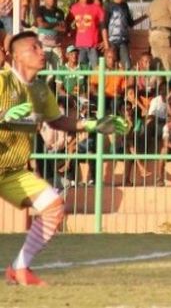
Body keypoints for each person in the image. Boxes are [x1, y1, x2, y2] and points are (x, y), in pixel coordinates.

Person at [1, 31, 126, 286]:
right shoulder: (3, 82)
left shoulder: (40, 89)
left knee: (54, 207)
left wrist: (93, 124)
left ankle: (20, 268)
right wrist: (4, 114)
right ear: (16, 56)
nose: (42, 51)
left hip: (12, 171)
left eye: (41, 46)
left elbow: (57, 120)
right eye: (34, 48)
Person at [102, 0, 147, 69]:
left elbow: (131, 23)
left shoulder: (125, 6)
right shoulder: (108, 6)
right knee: (111, 64)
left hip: (123, 42)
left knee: (127, 64)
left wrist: (144, 17)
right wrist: (106, 44)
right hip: (112, 41)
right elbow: (104, 26)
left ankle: (127, 81)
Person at [66, 0, 108, 68]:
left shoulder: (96, 8)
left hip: (93, 46)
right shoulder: (74, 8)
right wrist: (70, 32)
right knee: (81, 69)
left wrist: (105, 41)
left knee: (96, 69)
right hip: (80, 46)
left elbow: (104, 26)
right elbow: (67, 22)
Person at [34, 0, 66, 70]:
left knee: (58, 70)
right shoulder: (40, 10)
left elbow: (63, 29)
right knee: (41, 69)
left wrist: (47, 25)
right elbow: (41, 24)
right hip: (43, 45)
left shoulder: (60, 12)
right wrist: (56, 24)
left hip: (56, 45)